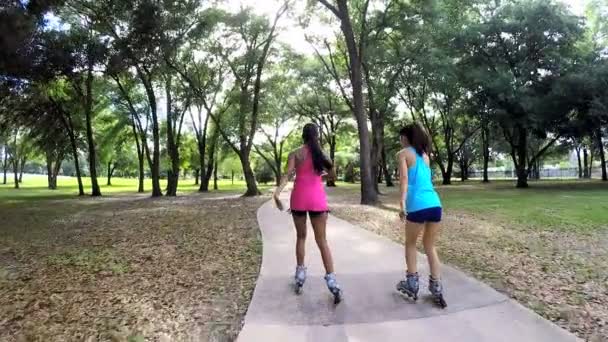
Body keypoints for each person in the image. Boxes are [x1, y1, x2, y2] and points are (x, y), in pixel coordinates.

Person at [273, 123, 343, 304]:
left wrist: (277, 193)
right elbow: (333, 173)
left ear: (302, 136)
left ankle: (300, 272)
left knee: (301, 237)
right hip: (317, 199)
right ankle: (331, 279)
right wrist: (321, 178)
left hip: (299, 198)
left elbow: (287, 175)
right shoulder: (322, 154)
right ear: (317, 136)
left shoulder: (295, 154)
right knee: (322, 241)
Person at [395, 123, 447, 308]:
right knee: (429, 245)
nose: (400, 141)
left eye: (401, 137)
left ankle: (412, 283)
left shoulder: (402, 154)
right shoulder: (425, 156)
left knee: (410, 243)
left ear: (407, 138)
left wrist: (402, 202)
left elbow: (404, 179)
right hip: (435, 203)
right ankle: (437, 285)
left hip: (417, 204)